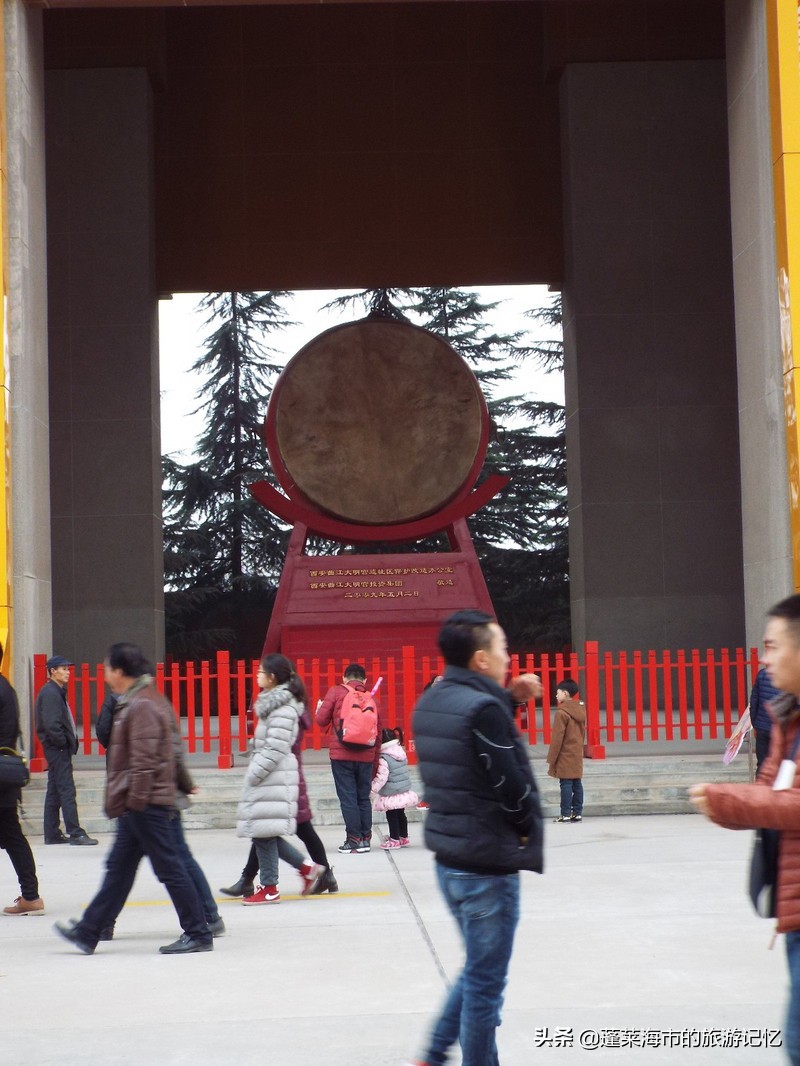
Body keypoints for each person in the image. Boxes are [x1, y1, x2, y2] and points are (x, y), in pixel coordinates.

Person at [410, 609, 544, 1066]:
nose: (511, 657)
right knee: (485, 989)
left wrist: (508, 699)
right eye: (504, 648)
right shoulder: (484, 708)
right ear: (482, 659)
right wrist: (525, 828)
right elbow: (510, 785)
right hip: (487, 866)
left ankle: (430, 1055)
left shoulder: (432, 699)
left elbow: (467, 743)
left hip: (450, 859)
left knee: (476, 974)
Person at [689, 593, 800, 1066]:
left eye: (774, 647)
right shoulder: (789, 720)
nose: (765, 659)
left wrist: (722, 799)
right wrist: (726, 808)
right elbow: (768, 793)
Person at [54, 642, 213, 955]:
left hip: (145, 803)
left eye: (107, 668)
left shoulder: (141, 704)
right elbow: (171, 751)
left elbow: (145, 760)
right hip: (141, 802)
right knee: (119, 869)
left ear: (120, 671)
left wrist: (137, 803)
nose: (105, 674)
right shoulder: (144, 699)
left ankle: (198, 932)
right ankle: (88, 932)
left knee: (168, 868)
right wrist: (183, 782)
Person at [95, 689, 225, 939]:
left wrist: (136, 797)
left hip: (149, 798)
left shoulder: (130, 702)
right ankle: (209, 917)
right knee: (126, 865)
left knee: (158, 865)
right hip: (159, 795)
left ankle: (203, 923)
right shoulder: (156, 701)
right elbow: (173, 751)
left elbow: (109, 737)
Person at [223, 657, 337, 899]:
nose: (257, 675)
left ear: (273, 677)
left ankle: (282, 880)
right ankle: (303, 872)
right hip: (278, 776)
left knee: (271, 830)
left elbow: (277, 746)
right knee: (264, 829)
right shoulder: (273, 703)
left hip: (281, 777)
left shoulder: (283, 707)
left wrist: (254, 771)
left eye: (261, 671)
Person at [316, 662, 381, 854]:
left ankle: (353, 840)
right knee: (363, 797)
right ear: (364, 680)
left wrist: (319, 708)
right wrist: (375, 763)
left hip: (341, 754)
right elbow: (378, 734)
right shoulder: (372, 698)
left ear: (345, 678)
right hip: (366, 756)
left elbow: (320, 720)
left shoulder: (336, 692)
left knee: (348, 797)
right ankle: (365, 839)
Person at [34, 655, 97, 845]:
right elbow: (52, 725)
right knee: (66, 789)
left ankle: (52, 833)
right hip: (57, 749)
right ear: (53, 671)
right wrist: (62, 743)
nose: (68, 672)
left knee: (54, 790)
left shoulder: (55, 691)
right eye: (63, 669)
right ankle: (75, 832)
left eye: (68, 669)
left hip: (56, 749)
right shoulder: (51, 693)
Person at [0, 651, 45, 916]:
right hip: (5, 778)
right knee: (12, 836)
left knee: (13, 837)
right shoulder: (6, 687)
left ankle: (31, 895)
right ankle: (30, 895)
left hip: (1, 779)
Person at [371, 727, 419, 848]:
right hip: (402, 789)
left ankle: (394, 839)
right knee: (401, 814)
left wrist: (372, 789)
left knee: (391, 815)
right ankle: (403, 837)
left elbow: (382, 777)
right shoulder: (400, 752)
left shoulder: (384, 758)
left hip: (391, 791)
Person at [546, 678, 586, 823]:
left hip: (564, 753)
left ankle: (565, 814)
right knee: (577, 783)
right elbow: (582, 733)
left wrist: (552, 758)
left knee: (566, 784)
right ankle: (577, 813)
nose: (556, 696)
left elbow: (557, 738)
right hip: (576, 751)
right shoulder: (581, 709)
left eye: (558, 693)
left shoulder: (562, 713)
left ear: (565, 693)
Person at [750, 665, 780, 773]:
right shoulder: (792, 678)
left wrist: (756, 723)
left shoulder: (762, 674)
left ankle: (761, 787)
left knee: (762, 764)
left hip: (763, 728)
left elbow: (754, 701)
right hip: (783, 730)